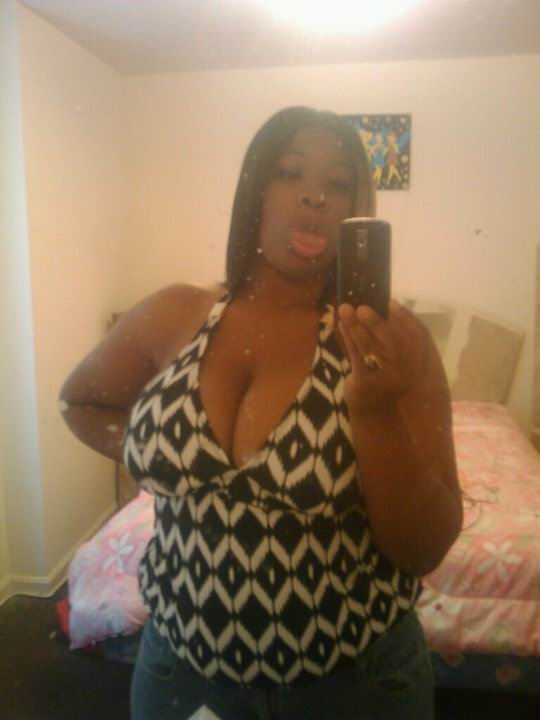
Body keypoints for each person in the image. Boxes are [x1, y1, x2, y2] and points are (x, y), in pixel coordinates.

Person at [60, 106, 463, 720]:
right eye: (289, 172)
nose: (314, 196)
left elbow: (423, 548)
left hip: (353, 688)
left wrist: (376, 410)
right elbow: (80, 401)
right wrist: (156, 450)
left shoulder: (388, 342)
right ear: (255, 190)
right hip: (180, 678)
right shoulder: (174, 313)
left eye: (338, 183)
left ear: (358, 209)